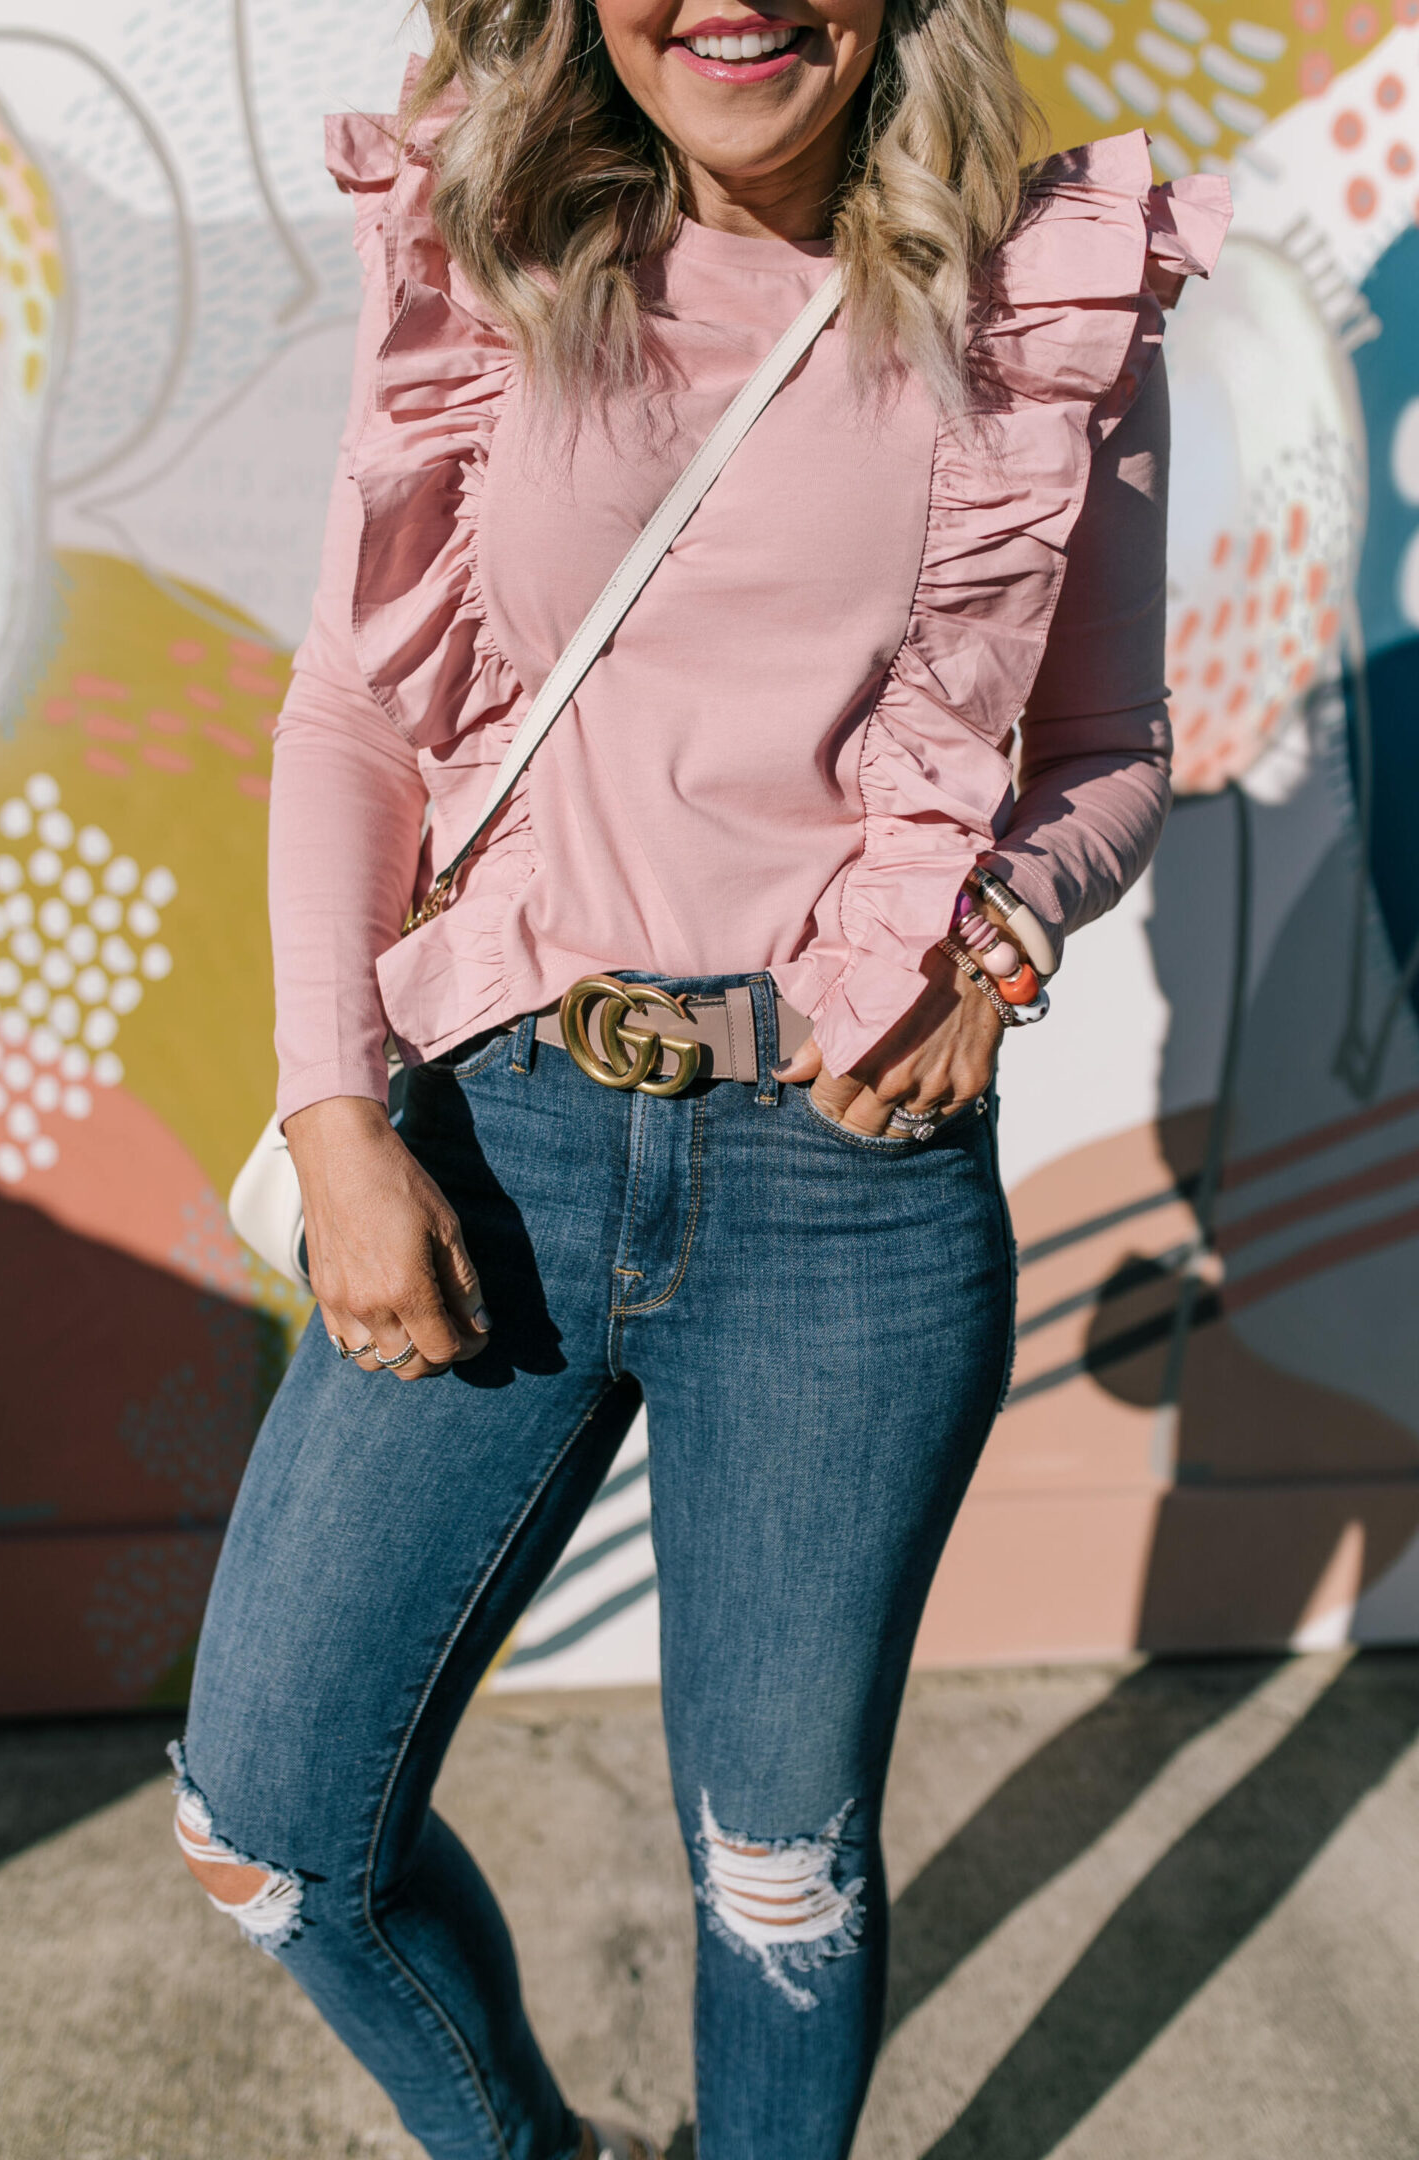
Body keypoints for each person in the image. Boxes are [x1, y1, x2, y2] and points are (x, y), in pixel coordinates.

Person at [169, 0, 1228, 2153]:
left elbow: (1108, 749)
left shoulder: (1043, 303)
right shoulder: (490, 242)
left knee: (778, 1880)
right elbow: (356, 712)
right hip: (501, 1135)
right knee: (264, 1827)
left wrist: (1001, 932)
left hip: (846, 1196)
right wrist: (334, 1110)